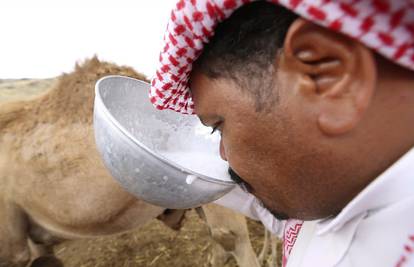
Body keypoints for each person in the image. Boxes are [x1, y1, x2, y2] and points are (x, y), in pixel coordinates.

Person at [149, 1, 414, 266]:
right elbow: (288, 222)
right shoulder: (334, 191)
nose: (223, 155)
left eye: (219, 125)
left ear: (326, 74)